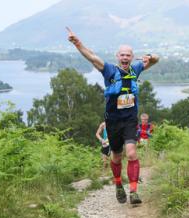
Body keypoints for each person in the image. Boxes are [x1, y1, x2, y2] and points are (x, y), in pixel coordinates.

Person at [67, 27, 159, 204]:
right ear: (118, 56)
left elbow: (155, 60)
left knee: (132, 154)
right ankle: (118, 185)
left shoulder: (136, 68)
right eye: (122, 55)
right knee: (116, 157)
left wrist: (151, 57)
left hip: (130, 119)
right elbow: (92, 57)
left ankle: (133, 192)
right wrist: (77, 43)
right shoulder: (108, 70)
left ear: (132, 57)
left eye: (128, 55)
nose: (125, 58)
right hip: (113, 121)